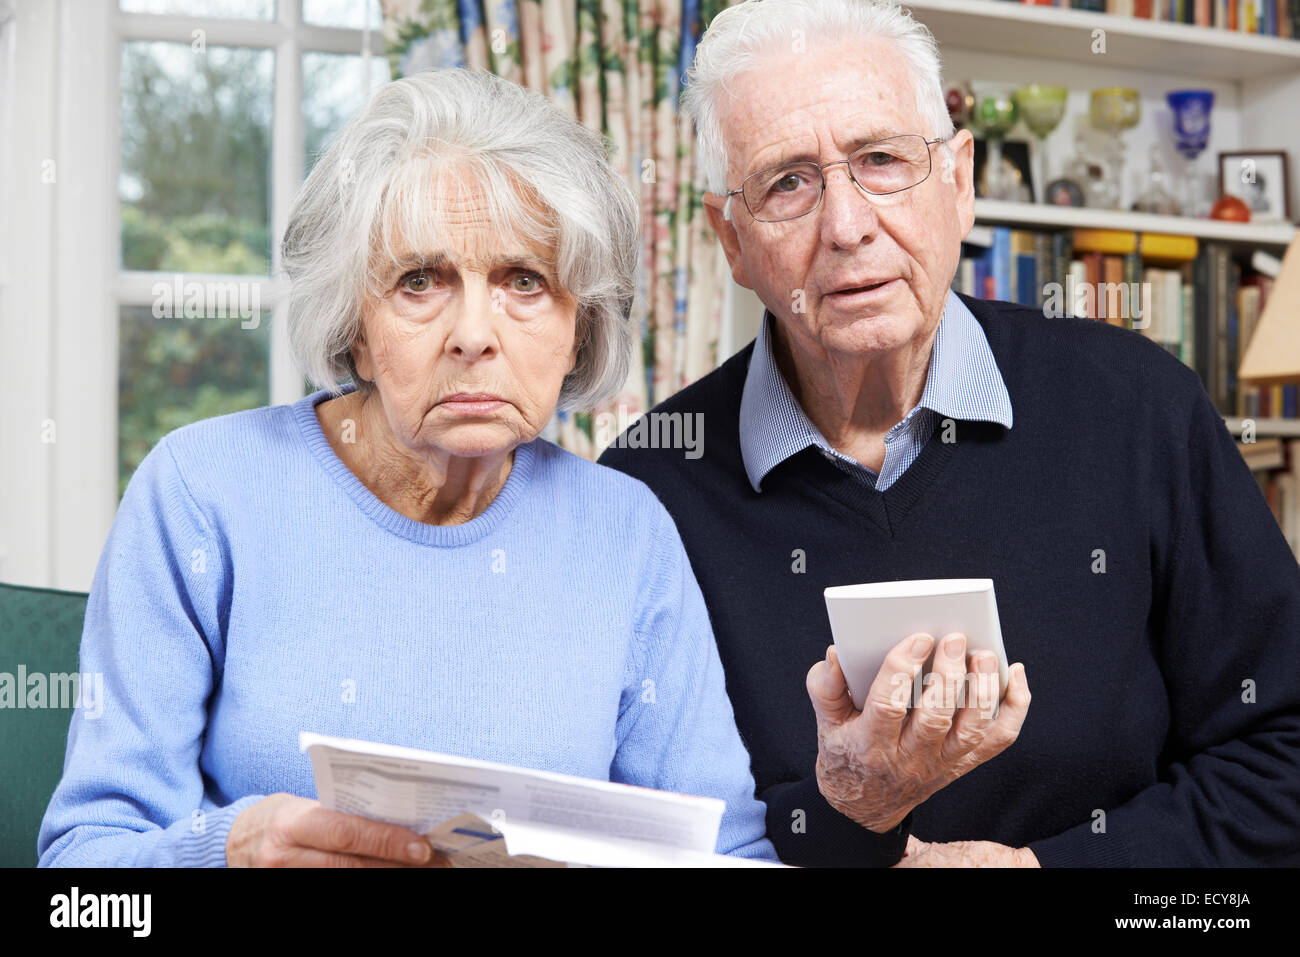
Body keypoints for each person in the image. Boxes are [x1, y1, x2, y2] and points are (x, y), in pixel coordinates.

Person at [600, 0, 1300, 867]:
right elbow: (641, 837)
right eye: (788, 182)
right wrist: (848, 811)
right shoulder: (643, 492)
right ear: (731, 241)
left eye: (882, 160)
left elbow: (1283, 755)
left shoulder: (1139, 406)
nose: (848, 226)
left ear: (959, 182)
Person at [38, 67, 775, 867]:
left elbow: (731, 854)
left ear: (578, 328)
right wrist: (225, 854)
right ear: (354, 322)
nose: (473, 333)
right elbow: (81, 884)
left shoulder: (627, 532)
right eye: (419, 280)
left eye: (523, 281)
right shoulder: (199, 492)